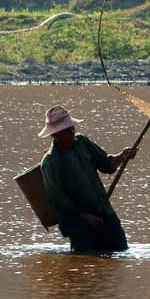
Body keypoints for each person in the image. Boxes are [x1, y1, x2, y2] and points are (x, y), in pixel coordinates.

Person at [38, 106, 137, 254]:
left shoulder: (82, 143)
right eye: (68, 130)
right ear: (56, 135)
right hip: (79, 226)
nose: (73, 132)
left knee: (121, 253)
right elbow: (58, 200)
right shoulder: (50, 163)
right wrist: (85, 217)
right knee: (87, 259)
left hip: (104, 213)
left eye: (72, 128)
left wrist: (122, 157)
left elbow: (105, 164)